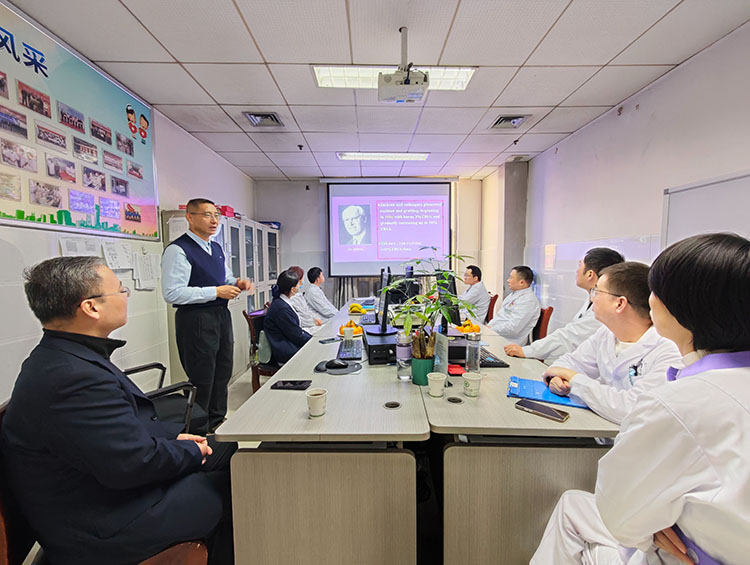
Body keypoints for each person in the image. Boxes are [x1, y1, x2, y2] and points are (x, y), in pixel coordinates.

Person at [532, 233, 750, 565]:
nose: (649, 300)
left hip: (684, 554)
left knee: (582, 520)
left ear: (682, 308)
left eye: (656, 291)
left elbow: (620, 517)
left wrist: (652, 526)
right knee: (575, 506)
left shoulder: (678, 403)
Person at [0, 257, 235, 565]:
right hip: (107, 525)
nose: (126, 295)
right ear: (91, 307)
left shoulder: (67, 355)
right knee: (245, 482)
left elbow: (120, 431)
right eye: (121, 289)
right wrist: (190, 452)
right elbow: (133, 464)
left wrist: (176, 438)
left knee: (234, 451)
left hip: (111, 493)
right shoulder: (71, 377)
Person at [543, 262, 681, 424]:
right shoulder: (606, 334)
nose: (592, 298)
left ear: (620, 303)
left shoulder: (668, 350)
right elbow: (568, 362)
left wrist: (574, 380)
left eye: (597, 291)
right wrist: (557, 379)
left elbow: (633, 409)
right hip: (600, 428)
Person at [161, 198, 253, 432]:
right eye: (206, 215)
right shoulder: (178, 250)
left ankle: (217, 422)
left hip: (220, 316)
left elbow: (225, 277)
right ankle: (198, 429)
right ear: (189, 217)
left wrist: (237, 283)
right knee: (202, 378)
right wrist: (216, 292)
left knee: (222, 372)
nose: (214, 221)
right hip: (196, 319)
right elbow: (172, 293)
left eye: (216, 215)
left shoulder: (216, 248)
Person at [505, 248, 625, 364]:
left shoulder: (605, 309)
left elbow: (569, 338)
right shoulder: (591, 301)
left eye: (580, 265)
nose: (576, 271)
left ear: (590, 274)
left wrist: (528, 351)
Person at [264, 269, 313, 365]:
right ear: (292, 289)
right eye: (298, 284)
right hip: (286, 351)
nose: (299, 286)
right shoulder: (282, 308)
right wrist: (313, 341)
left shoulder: (282, 302)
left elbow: (295, 331)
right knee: (317, 353)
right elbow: (296, 335)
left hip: (288, 343)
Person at [489, 266, 540, 344]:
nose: (508, 280)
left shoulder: (528, 301)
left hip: (508, 342)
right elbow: (500, 317)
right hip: (496, 335)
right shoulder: (514, 294)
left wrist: (490, 329)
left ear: (521, 282)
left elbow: (513, 329)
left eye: (511, 278)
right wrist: (488, 328)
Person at [287, 265, 323, 330]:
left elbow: (307, 311)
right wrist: (314, 322)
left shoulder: (298, 294)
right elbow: (302, 317)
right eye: (302, 278)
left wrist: (315, 318)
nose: (303, 280)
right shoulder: (293, 298)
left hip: (310, 324)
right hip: (304, 327)